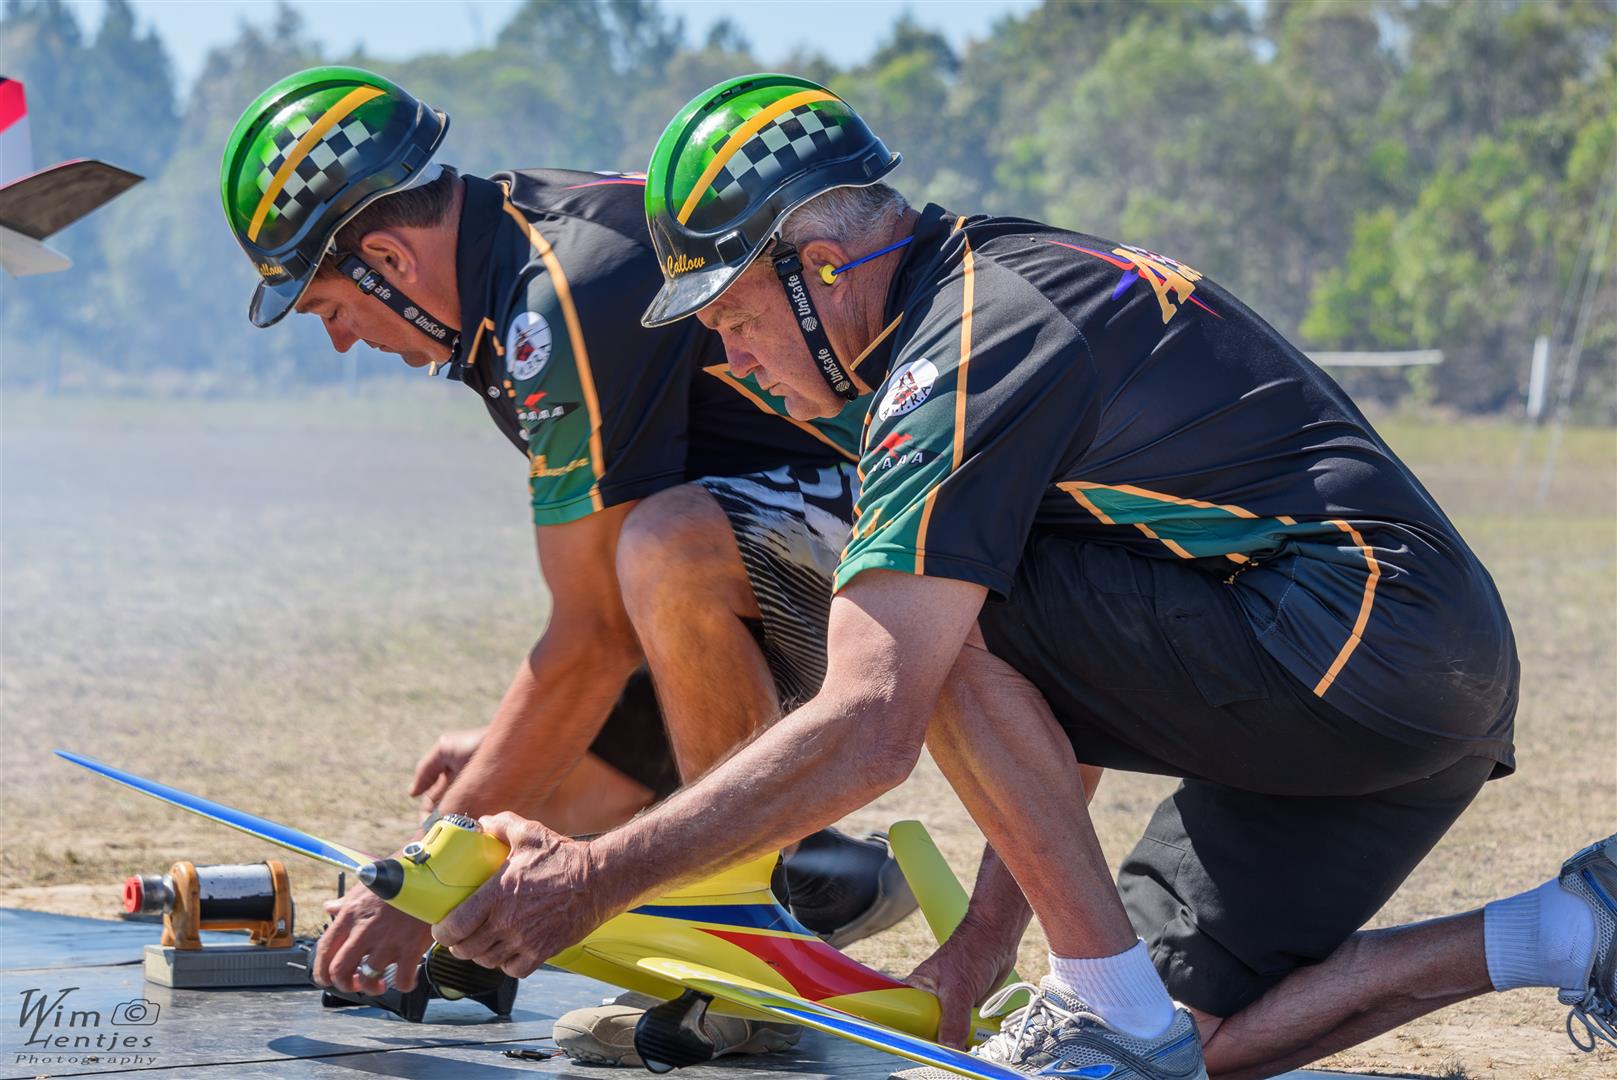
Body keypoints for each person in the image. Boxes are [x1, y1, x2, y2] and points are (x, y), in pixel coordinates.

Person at [423, 73, 1615, 1080]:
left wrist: (591, 878)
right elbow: (1066, 685)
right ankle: (1567, 929)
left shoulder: (966, 345)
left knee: (910, 609)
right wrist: (981, 953)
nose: (730, 359)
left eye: (731, 318)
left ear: (822, 266)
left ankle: (1109, 1001)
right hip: (1405, 683)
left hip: (1349, 647)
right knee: (1184, 1047)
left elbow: (880, 719)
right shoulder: (984, 297)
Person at [217, 67, 917, 1065]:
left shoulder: (558, 298)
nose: (336, 341)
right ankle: (820, 877)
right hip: (801, 537)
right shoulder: (514, 259)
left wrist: (423, 875)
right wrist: (487, 801)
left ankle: (741, 932)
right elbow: (603, 629)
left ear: (384, 257)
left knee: (661, 552)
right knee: (514, 832)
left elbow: (591, 637)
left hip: (927, 533)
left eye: (325, 305)